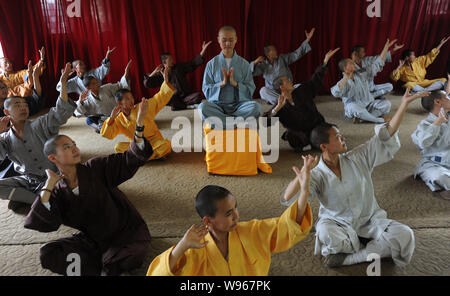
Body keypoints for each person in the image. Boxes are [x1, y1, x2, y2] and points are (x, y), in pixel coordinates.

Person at [281, 87, 428, 268]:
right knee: (324, 231)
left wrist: (404, 104)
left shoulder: (357, 157)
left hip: (370, 220)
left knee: (405, 235)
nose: (343, 139)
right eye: (338, 137)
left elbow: (385, 135)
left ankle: (352, 257)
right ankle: (371, 249)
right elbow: (288, 199)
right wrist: (302, 177)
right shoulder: (317, 174)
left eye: (341, 135)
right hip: (338, 224)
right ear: (324, 146)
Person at [24, 102, 153, 276]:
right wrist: (48, 186)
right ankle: (107, 268)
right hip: (93, 240)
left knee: (130, 254)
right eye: (67, 147)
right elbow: (44, 223)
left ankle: (107, 267)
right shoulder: (56, 190)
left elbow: (129, 159)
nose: (75, 148)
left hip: (126, 233)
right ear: (53, 157)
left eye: (74, 144)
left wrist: (139, 126)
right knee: (49, 254)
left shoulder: (95, 167)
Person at [146, 184, 312, 276]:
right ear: (207, 220)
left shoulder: (252, 231)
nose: (236, 216)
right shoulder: (195, 248)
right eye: (228, 213)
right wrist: (182, 246)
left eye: (236, 208)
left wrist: (304, 192)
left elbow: (286, 226)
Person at [0, 63, 77, 212]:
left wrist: (63, 83)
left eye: (25, 105)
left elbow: (60, 112)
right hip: (30, 180)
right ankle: (40, 200)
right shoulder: (5, 138)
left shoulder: (40, 124)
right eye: (17, 105)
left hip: (56, 176)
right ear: (6, 111)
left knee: (76, 192)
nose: (23, 107)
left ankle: (34, 200)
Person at [267, 48, 340, 153]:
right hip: (300, 134)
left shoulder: (302, 90)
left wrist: (325, 62)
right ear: (282, 88)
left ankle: (314, 143)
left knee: (331, 131)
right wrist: (276, 109)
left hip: (316, 125)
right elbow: (265, 122)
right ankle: (312, 144)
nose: (290, 81)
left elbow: (315, 80)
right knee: (292, 136)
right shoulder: (280, 105)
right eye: (287, 81)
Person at [101, 66, 174, 161]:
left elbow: (159, 98)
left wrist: (166, 81)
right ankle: (150, 157)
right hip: (136, 145)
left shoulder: (142, 106)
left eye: (131, 98)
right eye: (127, 99)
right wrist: (111, 118)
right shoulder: (118, 119)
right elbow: (108, 135)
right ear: (119, 103)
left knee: (165, 145)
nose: (131, 101)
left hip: (153, 141)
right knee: (118, 147)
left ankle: (139, 158)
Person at [199, 26, 260, 129]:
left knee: (256, 107)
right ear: (218, 39)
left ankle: (223, 124)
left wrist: (235, 84)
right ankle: (236, 123)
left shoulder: (244, 64)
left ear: (236, 40)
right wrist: (221, 84)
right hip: (218, 106)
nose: (227, 43)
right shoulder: (211, 64)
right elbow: (206, 88)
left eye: (231, 40)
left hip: (239, 105)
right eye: (224, 40)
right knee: (202, 108)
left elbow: (251, 87)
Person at [331, 39, 397, 124]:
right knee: (352, 107)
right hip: (356, 106)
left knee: (387, 104)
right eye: (351, 63)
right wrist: (345, 79)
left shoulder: (362, 73)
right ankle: (377, 120)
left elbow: (377, 63)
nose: (353, 63)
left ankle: (363, 118)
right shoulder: (343, 82)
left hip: (368, 104)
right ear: (345, 68)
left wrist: (386, 48)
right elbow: (335, 93)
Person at [0, 63, 46, 179]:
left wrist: (35, 78)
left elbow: (35, 101)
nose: (4, 90)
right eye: (0, 88)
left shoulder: (13, 101)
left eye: (4, 87)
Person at [250, 28, 315, 105]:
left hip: (288, 89)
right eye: (273, 50)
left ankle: (283, 101)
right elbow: (249, 72)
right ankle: (285, 101)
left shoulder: (282, 58)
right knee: (263, 91)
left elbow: (296, 54)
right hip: (274, 92)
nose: (276, 51)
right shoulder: (263, 66)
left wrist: (307, 40)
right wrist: (255, 62)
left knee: (301, 86)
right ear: (268, 54)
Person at [143, 41, 212, 111]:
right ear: (164, 62)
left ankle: (181, 105)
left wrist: (203, 50)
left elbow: (193, 63)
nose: (172, 61)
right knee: (169, 100)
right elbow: (147, 83)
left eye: (172, 59)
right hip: (174, 98)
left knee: (198, 96)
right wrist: (154, 72)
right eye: (170, 60)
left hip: (186, 96)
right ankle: (184, 105)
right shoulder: (161, 73)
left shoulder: (179, 67)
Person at [411, 89, 450, 200]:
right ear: (437, 102)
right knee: (441, 177)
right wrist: (438, 122)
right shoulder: (424, 125)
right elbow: (423, 143)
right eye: (447, 97)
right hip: (435, 165)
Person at [76, 60, 132, 133]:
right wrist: (80, 102)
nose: (97, 84)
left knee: (128, 119)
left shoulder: (106, 88)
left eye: (96, 82)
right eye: (94, 83)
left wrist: (126, 73)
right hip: (104, 118)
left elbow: (121, 85)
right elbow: (79, 113)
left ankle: (107, 127)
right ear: (88, 88)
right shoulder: (87, 99)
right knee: (89, 120)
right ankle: (102, 128)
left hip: (117, 114)